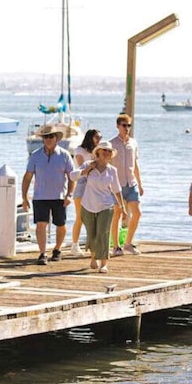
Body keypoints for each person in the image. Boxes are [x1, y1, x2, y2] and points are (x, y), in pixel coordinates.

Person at [22, 124, 76, 265]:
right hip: (40, 196)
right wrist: (24, 197)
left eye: (51, 136)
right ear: (42, 139)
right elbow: (27, 177)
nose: (48, 139)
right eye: (46, 137)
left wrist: (69, 194)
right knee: (41, 225)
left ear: (56, 138)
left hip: (59, 196)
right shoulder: (35, 156)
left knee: (61, 224)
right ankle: (42, 253)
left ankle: (57, 249)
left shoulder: (64, 155)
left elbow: (72, 177)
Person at [76, 141, 125, 273]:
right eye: (104, 150)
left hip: (106, 205)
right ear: (98, 152)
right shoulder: (88, 165)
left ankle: (104, 263)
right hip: (88, 205)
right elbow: (72, 176)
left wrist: (122, 207)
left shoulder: (112, 170)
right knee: (92, 234)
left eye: (109, 151)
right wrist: (87, 170)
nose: (107, 153)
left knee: (103, 233)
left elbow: (117, 189)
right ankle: (93, 258)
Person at [110, 114, 144, 256]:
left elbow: (135, 165)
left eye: (129, 125)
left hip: (132, 183)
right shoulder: (111, 144)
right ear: (118, 126)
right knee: (117, 215)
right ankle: (116, 246)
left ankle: (128, 243)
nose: (127, 128)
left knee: (137, 213)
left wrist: (140, 184)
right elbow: (107, 165)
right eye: (124, 125)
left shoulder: (133, 143)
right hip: (117, 185)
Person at [70, 129, 102, 256]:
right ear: (90, 137)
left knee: (96, 217)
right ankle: (74, 245)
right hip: (83, 184)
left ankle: (95, 245)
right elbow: (82, 167)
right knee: (80, 217)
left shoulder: (98, 151)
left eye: (100, 137)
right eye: (96, 137)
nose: (99, 140)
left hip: (95, 186)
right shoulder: (79, 150)